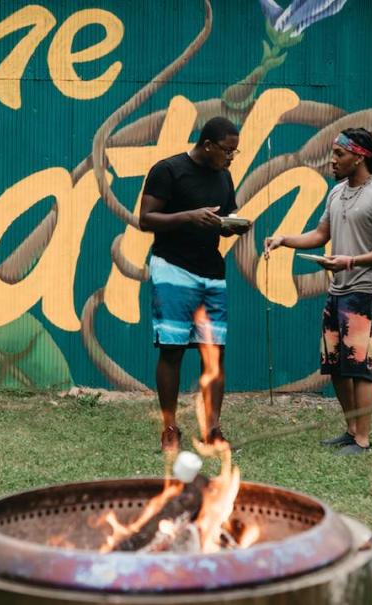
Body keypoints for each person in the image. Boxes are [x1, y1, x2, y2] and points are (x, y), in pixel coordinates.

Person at [264, 128, 372, 455]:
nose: (333, 160)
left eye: (340, 154)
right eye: (333, 153)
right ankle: (351, 429)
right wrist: (284, 239)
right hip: (338, 290)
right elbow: (320, 234)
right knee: (337, 365)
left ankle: (363, 440)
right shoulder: (337, 192)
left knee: (361, 367)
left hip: (367, 293)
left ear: (360, 157)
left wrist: (351, 261)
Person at [139, 117, 250, 453]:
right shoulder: (168, 170)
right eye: (227, 151)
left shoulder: (224, 177)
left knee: (214, 352)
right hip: (172, 269)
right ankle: (169, 429)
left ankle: (212, 429)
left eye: (235, 151)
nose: (231, 158)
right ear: (207, 145)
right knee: (172, 350)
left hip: (212, 273)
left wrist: (231, 225)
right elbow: (145, 219)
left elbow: (224, 216)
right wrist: (188, 215)